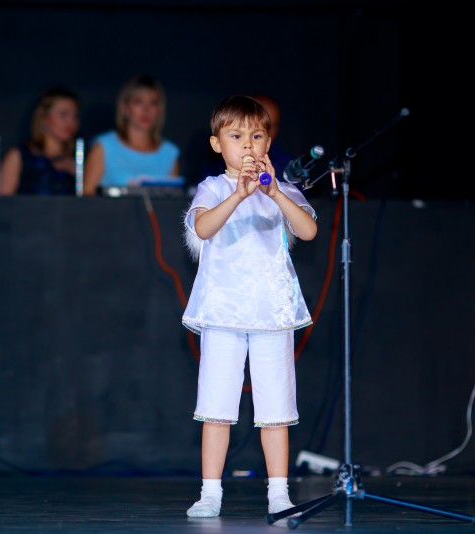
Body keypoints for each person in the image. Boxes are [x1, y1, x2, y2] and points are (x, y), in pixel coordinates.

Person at [181, 95, 317, 519]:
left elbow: (308, 230)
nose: (247, 145)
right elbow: (203, 227)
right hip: (224, 312)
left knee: (275, 409)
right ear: (217, 144)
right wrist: (238, 196)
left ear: (268, 143)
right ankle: (210, 492)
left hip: (271, 313)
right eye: (236, 136)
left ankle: (279, 492)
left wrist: (274, 192)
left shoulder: (280, 189)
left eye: (257, 136)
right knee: (216, 408)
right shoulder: (213, 187)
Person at [82, 74, 180, 195]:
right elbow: (86, 196)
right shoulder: (103, 147)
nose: (146, 110)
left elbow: (172, 200)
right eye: (139, 102)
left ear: (160, 109)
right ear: (124, 107)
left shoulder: (169, 153)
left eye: (153, 103)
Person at [0, 86, 80, 195]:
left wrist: (79, 174)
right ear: (44, 118)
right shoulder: (21, 156)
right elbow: (1, 202)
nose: (71, 122)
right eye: (63, 115)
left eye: (75, 116)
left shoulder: (77, 160)